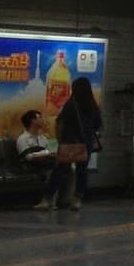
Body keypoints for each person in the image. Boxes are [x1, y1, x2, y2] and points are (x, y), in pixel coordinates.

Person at [47, 77, 102, 213]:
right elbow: (97, 125)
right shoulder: (93, 106)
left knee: (59, 170)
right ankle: (77, 200)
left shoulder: (71, 104)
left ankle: (47, 199)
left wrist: (60, 140)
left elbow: (60, 123)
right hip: (85, 143)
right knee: (82, 171)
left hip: (69, 142)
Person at [17, 109, 56, 207]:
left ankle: (65, 200)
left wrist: (49, 154)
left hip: (45, 165)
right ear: (32, 121)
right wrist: (45, 154)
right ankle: (51, 201)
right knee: (55, 172)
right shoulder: (23, 139)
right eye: (39, 117)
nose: (43, 120)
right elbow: (28, 157)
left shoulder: (43, 138)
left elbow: (48, 152)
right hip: (31, 167)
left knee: (71, 170)